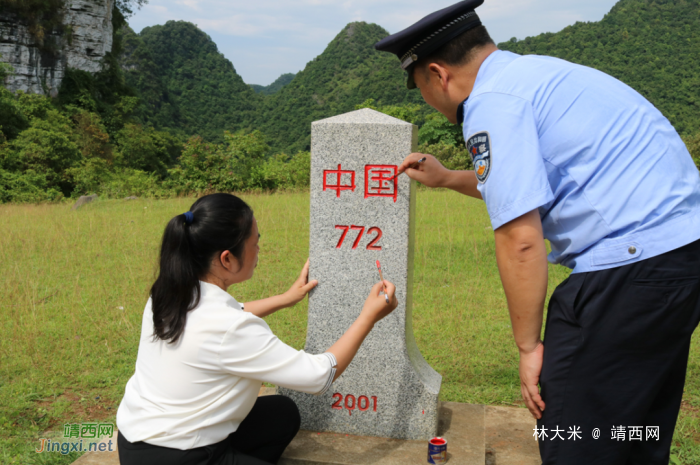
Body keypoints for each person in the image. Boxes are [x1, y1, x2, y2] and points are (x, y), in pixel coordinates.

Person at [375, 1, 700, 464]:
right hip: (679, 260)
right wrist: (448, 177)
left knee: (575, 437)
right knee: (635, 431)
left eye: (419, 87)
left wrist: (529, 348)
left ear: (437, 74)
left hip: (627, 272)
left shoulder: (490, 104)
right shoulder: (537, 74)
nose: (425, 96)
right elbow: (528, 186)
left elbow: (520, 238)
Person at [116, 193, 398, 465]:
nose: (259, 249)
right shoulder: (231, 329)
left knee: (281, 414)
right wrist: (368, 317)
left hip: (139, 442)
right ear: (227, 259)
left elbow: (226, 317)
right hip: (182, 455)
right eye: (255, 242)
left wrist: (286, 299)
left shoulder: (168, 293)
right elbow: (319, 375)